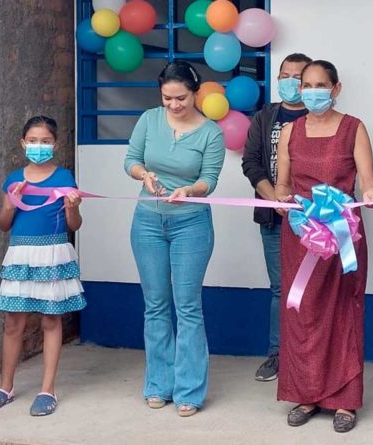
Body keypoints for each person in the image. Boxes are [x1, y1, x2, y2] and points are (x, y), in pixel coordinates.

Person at [274, 60, 373, 433]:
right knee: (302, 312)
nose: (312, 91)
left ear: (336, 89)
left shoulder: (354, 128)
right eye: (306, 85)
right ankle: (306, 395)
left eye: (320, 85)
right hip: (301, 236)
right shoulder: (290, 131)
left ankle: (345, 400)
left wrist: (369, 194)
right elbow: (282, 185)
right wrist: (286, 202)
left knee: (343, 311)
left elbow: (368, 181)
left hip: (341, 234)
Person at [124, 61, 225, 417]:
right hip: (147, 222)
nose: (173, 105)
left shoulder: (211, 133)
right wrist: (144, 175)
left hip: (191, 225)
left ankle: (189, 392)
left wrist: (190, 190)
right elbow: (131, 160)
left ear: (195, 93)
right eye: (167, 98)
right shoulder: (149, 120)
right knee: (155, 305)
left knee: (188, 306)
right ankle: (157, 385)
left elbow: (209, 179)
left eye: (180, 98)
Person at [0, 116, 85, 416]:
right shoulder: (13, 179)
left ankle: (46, 390)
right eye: (34, 141)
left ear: (56, 144)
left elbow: (74, 225)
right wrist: (9, 205)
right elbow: (3, 225)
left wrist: (72, 208)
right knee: (14, 322)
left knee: (51, 321)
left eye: (46, 141)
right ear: (23, 143)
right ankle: (5, 387)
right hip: (20, 254)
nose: (39, 146)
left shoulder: (64, 178)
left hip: (53, 253)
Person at [241, 52, 312, 382]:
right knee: (280, 288)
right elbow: (251, 163)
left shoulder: (319, 115)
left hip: (314, 218)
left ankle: (309, 354)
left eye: (298, 77)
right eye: (284, 75)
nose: (290, 82)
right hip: (274, 216)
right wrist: (275, 199)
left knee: (313, 287)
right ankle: (277, 355)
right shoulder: (266, 116)